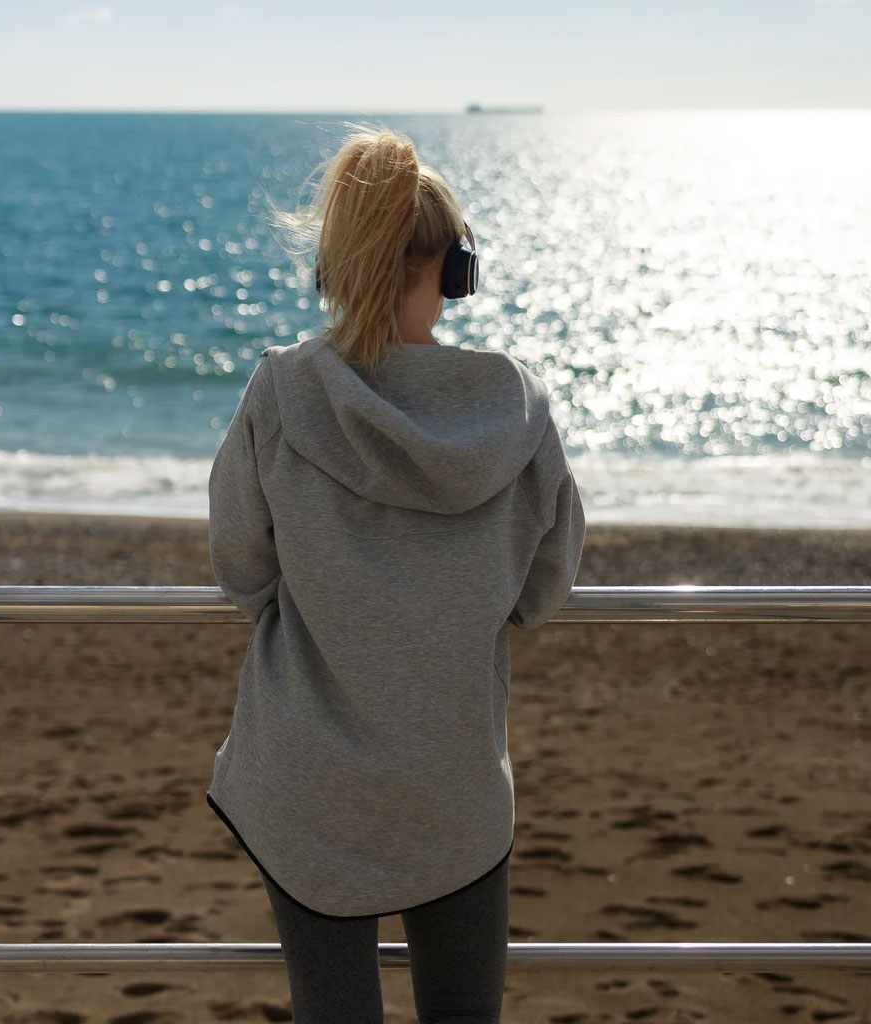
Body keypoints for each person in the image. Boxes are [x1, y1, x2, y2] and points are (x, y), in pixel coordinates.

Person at [206, 123, 585, 1024]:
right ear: (458, 271)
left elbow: (242, 569)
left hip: (308, 785)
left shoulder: (282, 390)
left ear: (331, 267)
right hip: (452, 780)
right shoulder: (515, 404)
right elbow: (543, 589)